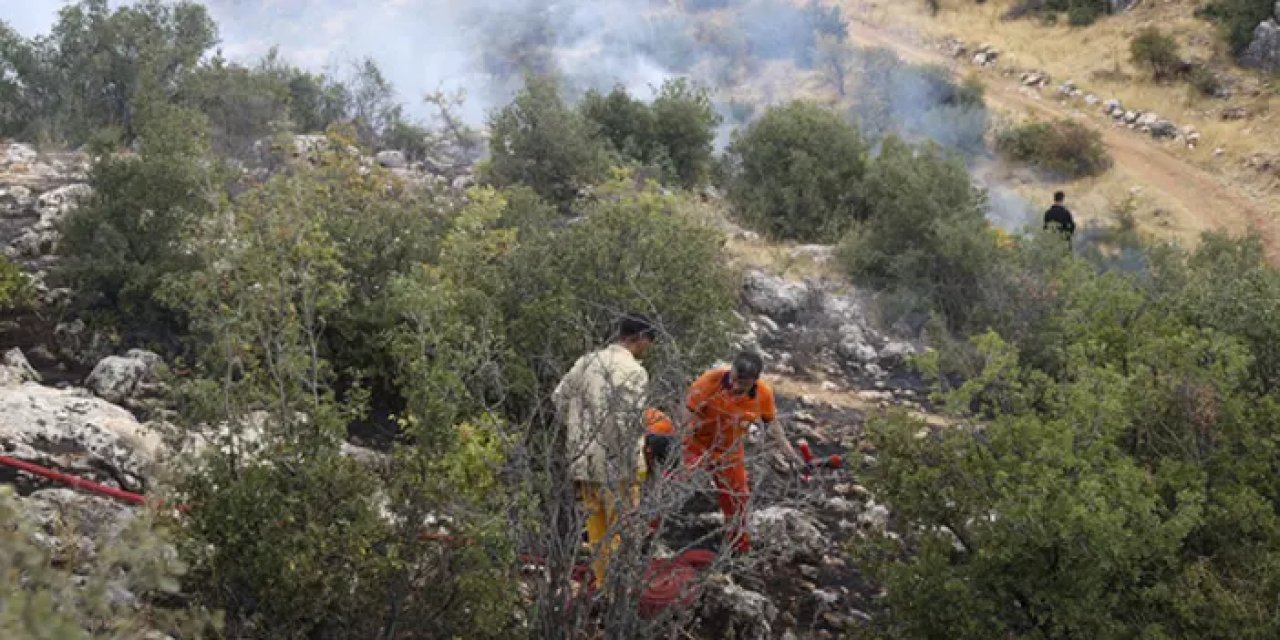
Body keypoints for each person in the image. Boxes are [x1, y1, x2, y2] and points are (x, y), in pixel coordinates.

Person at [551, 314, 657, 588]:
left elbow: (559, 398)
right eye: (649, 340)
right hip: (617, 463)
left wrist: (578, 431)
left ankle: (601, 586)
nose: (649, 346)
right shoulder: (634, 371)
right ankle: (617, 592)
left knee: (597, 529)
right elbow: (624, 423)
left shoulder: (586, 361)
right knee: (622, 528)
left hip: (583, 457)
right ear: (640, 338)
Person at [683, 351, 805, 553]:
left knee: (738, 499)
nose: (737, 387)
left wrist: (789, 453)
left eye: (744, 384)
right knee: (673, 484)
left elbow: (771, 424)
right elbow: (686, 415)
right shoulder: (708, 382)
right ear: (731, 370)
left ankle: (738, 548)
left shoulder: (763, 394)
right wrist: (680, 448)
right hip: (696, 444)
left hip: (729, 452)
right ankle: (648, 533)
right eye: (734, 380)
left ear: (755, 381)